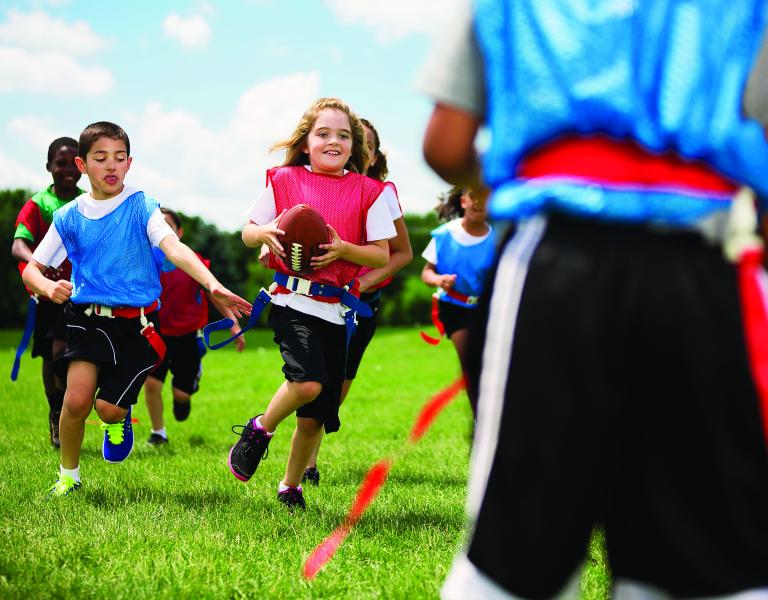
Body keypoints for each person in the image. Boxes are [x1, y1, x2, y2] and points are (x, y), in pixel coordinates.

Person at [419, 1, 768, 598]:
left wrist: (515, 180)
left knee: (513, 558)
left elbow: (446, 146)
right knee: (698, 561)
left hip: (555, 260)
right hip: (697, 268)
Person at [23, 121, 251, 497]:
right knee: (75, 400)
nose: (111, 166)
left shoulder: (142, 206)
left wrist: (213, 284)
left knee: (108, 409)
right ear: (82, 165)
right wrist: (49, 287)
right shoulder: (68, 217)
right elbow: (32, 269)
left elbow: (173, 248)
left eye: (119, 158)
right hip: (86, 319)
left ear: (129, 164)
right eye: (101, 158)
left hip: (138, 325)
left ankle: (117, 419)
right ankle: (68, 476)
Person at [228, 97, 396, 510]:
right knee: (306, 383)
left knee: (316, 414)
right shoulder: (285, 181)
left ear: (355, 146)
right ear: (306, 142)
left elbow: (381, 255)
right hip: (291, 301)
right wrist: (264, 232)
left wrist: (343, 249)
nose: (333, 141)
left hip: (335, 311)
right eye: (323, 133)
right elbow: (248, 231)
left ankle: (290, 487)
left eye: (343, 135)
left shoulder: (368, 191)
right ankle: (259, 429)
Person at [301, 117, 413, 486]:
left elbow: (401, 253)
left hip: (361, 301)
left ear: (373, 154)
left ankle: (309, 448)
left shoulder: (383, 192)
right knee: (313, 376)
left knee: (341, 379)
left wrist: (363, 283)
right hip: (318, 298)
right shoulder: (322, 185)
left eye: (362, 142)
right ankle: (308, 461)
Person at [143, 207, 245, 446]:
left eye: (168, 225)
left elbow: (213, 293)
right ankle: (158, 433)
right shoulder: (145, 261)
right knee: (151, 383)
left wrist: (233, 323)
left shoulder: (193, 261)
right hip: (156, 333)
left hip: (187, 335)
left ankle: (183, 397)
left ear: (179, 231)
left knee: (181, 395)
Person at [11, 137, 84, 448]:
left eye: (72, 163)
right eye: (60, 163)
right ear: (49, 167)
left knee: (74, 355)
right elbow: (18, 245)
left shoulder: (88, 201)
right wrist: (38, 266)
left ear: (81, 166)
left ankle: (74, 407)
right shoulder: (38, 204)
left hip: (83, 295)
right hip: (47, 294)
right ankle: (57, 412)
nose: (67, 169)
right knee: (52, 354)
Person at [420, 185, 495, 418]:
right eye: (474, 197)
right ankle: (479, 424)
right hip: (454, 307)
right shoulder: (444, 235)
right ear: (464, 202)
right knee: (471, 364)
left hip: (487, 309)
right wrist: (439, 279)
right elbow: (426, 273)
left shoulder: (498, 236)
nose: (479, 203)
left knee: (492, 367)